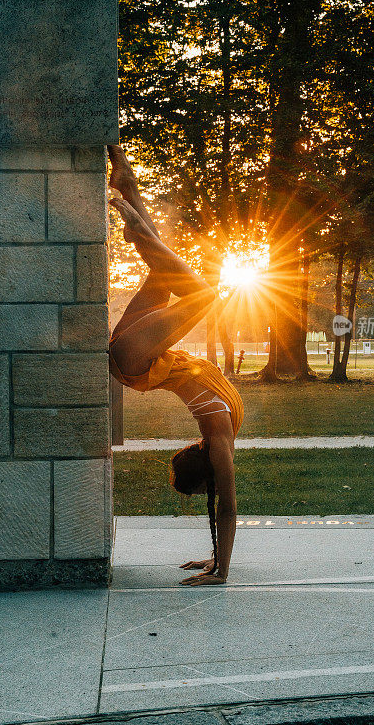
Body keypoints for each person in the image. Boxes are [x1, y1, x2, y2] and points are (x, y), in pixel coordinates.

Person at [107, 145, 243, 586]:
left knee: (203, 294)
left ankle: (135, 226)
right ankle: (124, 174)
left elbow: (224, 504)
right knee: (166, 272)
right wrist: (216, 563)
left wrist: (221, 568)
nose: (220, 484)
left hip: (137, 363)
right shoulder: (218, 433)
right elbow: (221, 507)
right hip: (133, 358)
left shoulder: (218, 433)